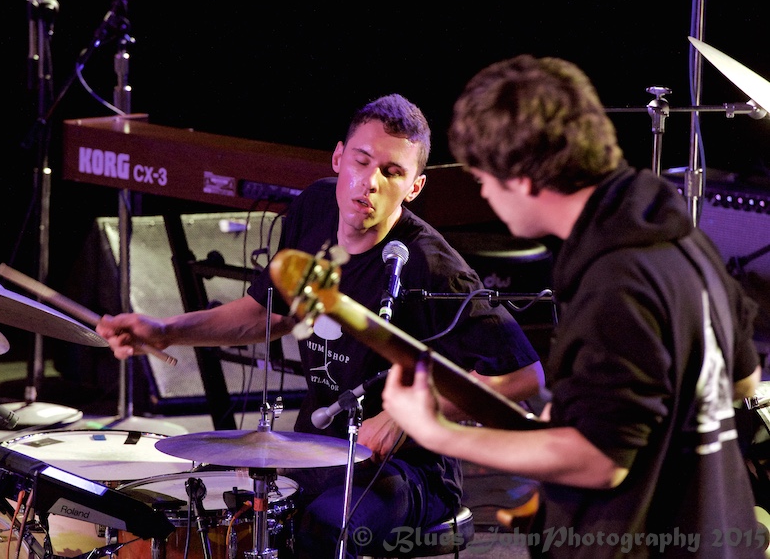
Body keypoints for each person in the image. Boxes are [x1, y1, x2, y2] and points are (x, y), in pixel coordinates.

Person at [96, 93, 545, 558]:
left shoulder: (431, 265)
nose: (369, 182)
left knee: (320, 528)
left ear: (414, 187)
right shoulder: (314, 209)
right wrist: (167, 331)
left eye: (392, 172)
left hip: (407, 471)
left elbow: (523, 373)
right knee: (218, 518)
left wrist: (405, 417)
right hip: (319, 447)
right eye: (361, 160)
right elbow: (268, 314)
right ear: (338, 157)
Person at [381, 55, 765, 558]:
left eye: (484, 180)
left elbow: (600, 461)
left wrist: (437, 431)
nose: (486, 196)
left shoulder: (616, 280)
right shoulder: (682, 238)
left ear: (521, 176)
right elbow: (741, 381)